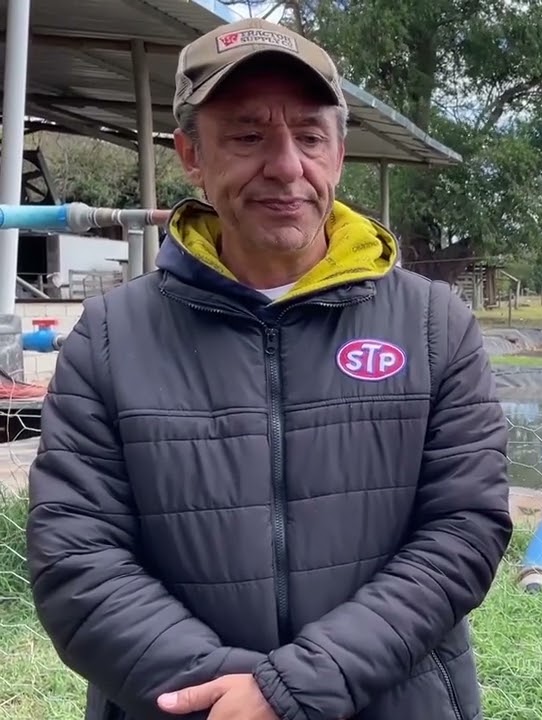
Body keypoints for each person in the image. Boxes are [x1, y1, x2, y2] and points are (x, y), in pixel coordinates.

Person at [25, 17, 512, 720]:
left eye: (310, 135)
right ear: (191, 155)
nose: (286, 165)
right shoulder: (110, 337)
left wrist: (292, 693)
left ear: (338, 153)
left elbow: (463, 529)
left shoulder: (434, 326)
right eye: (248, 135)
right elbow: (77, 557)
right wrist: (229, 699)